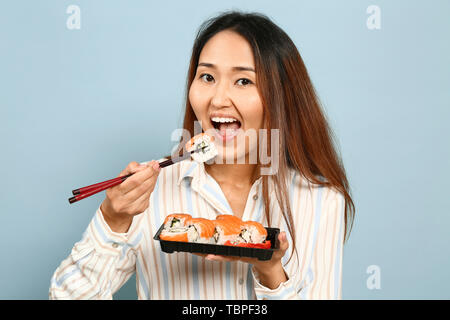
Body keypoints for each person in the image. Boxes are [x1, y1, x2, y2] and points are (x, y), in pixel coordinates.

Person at [49, 10, 355, 300]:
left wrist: (271, 271)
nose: (218, 99)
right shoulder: (149, 192)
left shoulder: (321, 200)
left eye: (243, 81)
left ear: (281, 98)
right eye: (207, 77)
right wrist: (112, 220)